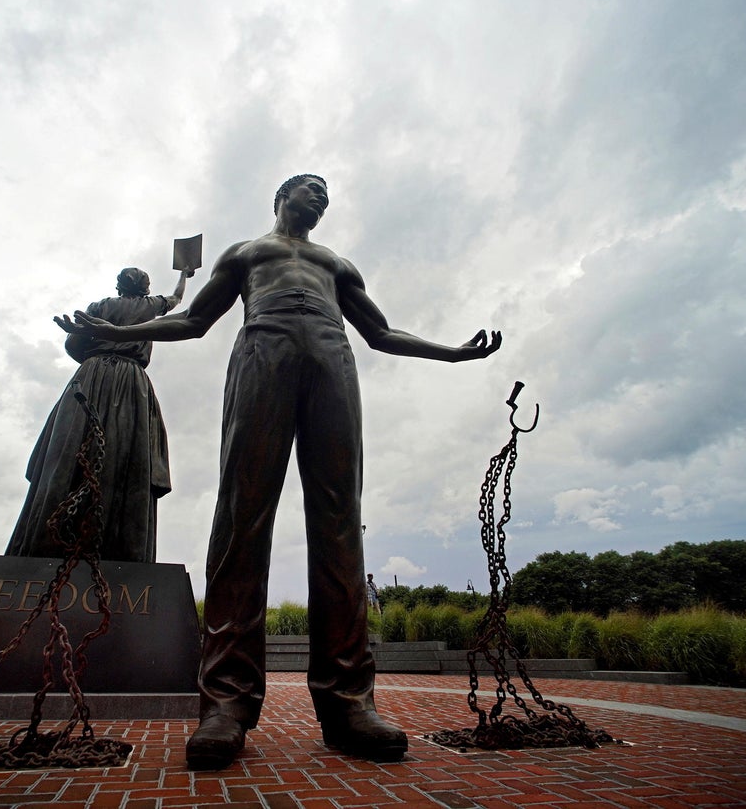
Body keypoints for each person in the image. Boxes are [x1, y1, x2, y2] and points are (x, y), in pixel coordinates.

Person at [59, 174, 501, 769]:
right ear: (280, 197)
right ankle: (226, 705)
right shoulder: (247, 253)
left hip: (331, 358)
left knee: (340, 520)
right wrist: (121, 330)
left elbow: (382, 332)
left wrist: (451, 351)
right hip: (262, 351)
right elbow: (191, 322)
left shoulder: (336, 263)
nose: (320, 199)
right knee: (243, 517)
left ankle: (349, 702)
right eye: (309, 190)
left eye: (327, 195)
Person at [6, 266, 189, 563]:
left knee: (68, 450)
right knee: (124, 454)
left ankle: (43, 543)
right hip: (131, 381)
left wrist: (95, 356)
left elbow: (74, 343)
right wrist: (185, 275)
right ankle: (120, 549)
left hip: (90, 375)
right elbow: (177, 298)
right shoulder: (152, 306)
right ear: (145, 288)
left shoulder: (101, 306)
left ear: (119, 287)